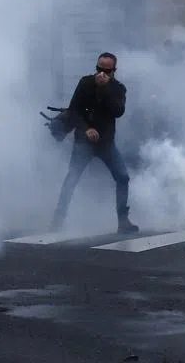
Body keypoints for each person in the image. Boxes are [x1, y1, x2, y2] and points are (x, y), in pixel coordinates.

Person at [51, 52, 139, 234]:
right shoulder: (85, 83)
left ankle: (123, 220)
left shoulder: (118, 88)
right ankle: (58, 219)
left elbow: (118, 111)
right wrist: (86, 129)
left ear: (114, 71)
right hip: (83, 142)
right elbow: (74, 111)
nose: (101, 74)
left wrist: (105, 88)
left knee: (122, 177)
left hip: (106, 144)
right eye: (99, 69)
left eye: (107, 71)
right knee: (72, 178)